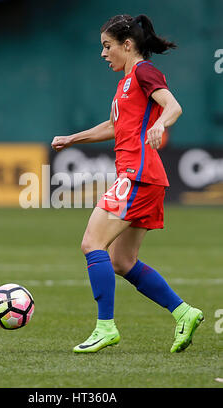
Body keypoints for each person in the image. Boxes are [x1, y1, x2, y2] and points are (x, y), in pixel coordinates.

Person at [51, 14, 204, 353]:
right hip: (144, 178)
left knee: (93, 243)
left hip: (137, 174)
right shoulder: (125, 83)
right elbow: (112, 126)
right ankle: (184, 312)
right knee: (122, 261)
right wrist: (73, 138)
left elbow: (173, 106)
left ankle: (105, 327)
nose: (104, 54)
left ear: (128, 45)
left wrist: (161, 124)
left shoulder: (144, 72)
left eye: (107, 47)